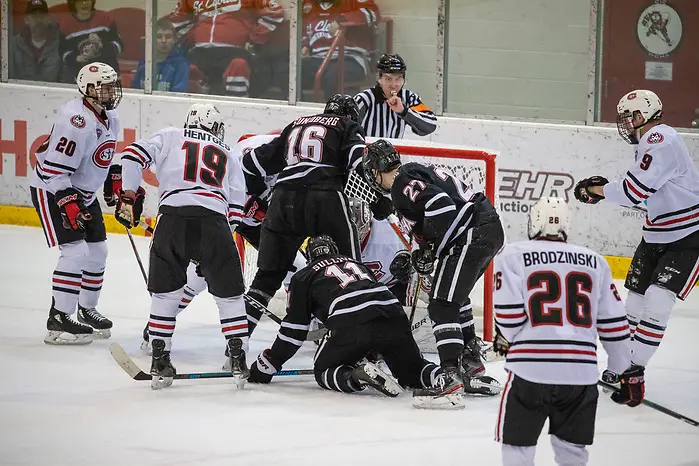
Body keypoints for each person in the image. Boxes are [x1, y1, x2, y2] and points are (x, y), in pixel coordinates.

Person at [492, 197, 642, 466]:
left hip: (530, 372)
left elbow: (509, 318)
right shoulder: (595, 261)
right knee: (573, 452)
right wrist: (623, 370)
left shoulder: (512, 254)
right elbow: (615, 324)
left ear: (534, 222)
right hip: (580, 375)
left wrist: (516, 340)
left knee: (517, 448)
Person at [116, 103, 249, 389]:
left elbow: (131, 155)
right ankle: (238, 357)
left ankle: (160, 359)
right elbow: (237, 206)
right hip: (215, 222)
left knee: (165, 296)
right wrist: (217, 241)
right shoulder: (227, 152)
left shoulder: (171, 135)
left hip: (172, 219)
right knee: (230, 297)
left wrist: (129, 195)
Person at [361, 138, 504, 401]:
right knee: (454, 297)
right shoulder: (411, 172)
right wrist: (420, 252)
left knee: (441, 304)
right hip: (484, 230)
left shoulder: (402, 184)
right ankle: (470, 365)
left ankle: (450, 377)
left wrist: (427, 251)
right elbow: (434, 216)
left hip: (473, 233)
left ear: (375, 170)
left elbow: (442, 206)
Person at [574, 89, 699, 376]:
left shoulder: (660, 139)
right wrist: (608, 190)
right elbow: (645, 194)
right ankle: (621, 363)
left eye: (631, 116)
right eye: (625, 118)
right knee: (635, 300)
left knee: (657, 299)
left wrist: (597, 190)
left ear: (646, 114)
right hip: (655, 234)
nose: (627, 123)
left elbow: (633, 191)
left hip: (688, 237)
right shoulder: (647, 144)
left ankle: (634, 366)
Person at [248, 235, 454, 406]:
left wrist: (267, 366)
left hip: (351, 319)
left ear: (309, 256)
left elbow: (293, 331)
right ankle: (447, 379)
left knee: (323, 371)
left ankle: (356, 375)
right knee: (414, 370)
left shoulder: (304, 276)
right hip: (392, 312)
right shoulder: (358, 265)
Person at [240, 94, 370, 336]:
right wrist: (382, 197)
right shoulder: (347, 125)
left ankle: (236, 345)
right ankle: (359, 343)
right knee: (352, 271)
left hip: (282, 201)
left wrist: (258, 195)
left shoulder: (296, 124)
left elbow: (250, 162)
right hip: (325, 197)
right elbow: (358, 162)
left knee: (267, 278)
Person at [29, 61, 122, 345]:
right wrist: (68, 203)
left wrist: (111, 181)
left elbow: (104, 155)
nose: (111, 92)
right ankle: (59, 316)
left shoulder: (110, 116)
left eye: (112, 85)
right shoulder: (75, 120)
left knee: (98, 251)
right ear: (89, 89)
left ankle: (86, 308)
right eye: (105, 87)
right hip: (52, 189)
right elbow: (54, 170)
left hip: (84, 192)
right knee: (75, 252)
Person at [169, 0, 284, 97]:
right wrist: (193, 36)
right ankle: (194, 114)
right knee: (188, 69)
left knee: (239, 65)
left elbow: (275, 12)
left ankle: (237, 112)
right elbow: (177, 18)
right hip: (200, 51)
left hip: (236, 51)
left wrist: (254, 38)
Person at [300, 0, 381, 101]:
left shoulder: (353, 2)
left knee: (332, 77)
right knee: (288, 72)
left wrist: (341, 19)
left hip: (350, 58)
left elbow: (373, 13)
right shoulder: (309, 4)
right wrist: (305, 46)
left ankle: (334, 115)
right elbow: (303, 28)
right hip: (318, 58)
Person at [354, 53, 437, 138]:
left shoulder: (409, 98)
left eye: (398, 79)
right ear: (379, 79)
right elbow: (345, 129)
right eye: (388, 79)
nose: (393, 85)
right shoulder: (364, 99)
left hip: (394, 151)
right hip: (367, 150)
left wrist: (404, 111)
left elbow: (431, 124)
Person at [56, 0, 123, 83]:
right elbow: (62, 51)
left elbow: (119, 45)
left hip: (108, 75)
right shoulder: (65, 25)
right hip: (80, 78)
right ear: (73, 2)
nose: (84, 3)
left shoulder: (106, 18)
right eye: (80, 1)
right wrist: (75, 58)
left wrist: (102, 45)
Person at [9, 0, 61, 82]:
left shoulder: (61, 44)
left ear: (48, 18)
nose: (38, 20)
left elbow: (66, 79)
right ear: (26, 19)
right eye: (34, 16)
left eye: (42, 15)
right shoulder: (13, 45)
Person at [132, 18, 189, 93]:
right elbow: (135, 90)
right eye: (159, 36)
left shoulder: (181, 65)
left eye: (168, 37)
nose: (163, 41)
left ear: (175, 40)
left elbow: (178, 94)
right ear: (151, 39)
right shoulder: (144, 62)